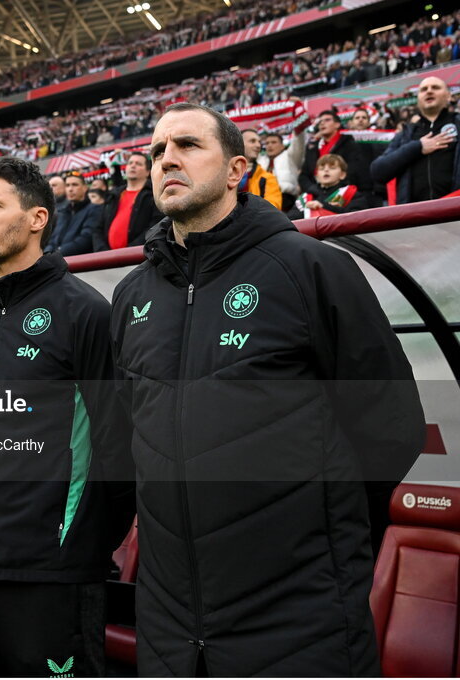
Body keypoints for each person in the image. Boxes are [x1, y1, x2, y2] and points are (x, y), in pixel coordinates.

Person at [110, 103, 425, 676]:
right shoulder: (132, 295)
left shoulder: (310, 268)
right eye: (156, 151)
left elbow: (391, 429)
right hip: (169, 626)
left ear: (236, 170)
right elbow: (130, 435)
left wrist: (316, 531)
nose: (166, 160)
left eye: (186, 145)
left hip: (300, 619)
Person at [0, 157, 132, 676]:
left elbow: (120, 446)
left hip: (50, 570)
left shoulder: (85, 312)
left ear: (36, 219)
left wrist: (81, 545)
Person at [371, 76, 460, 204]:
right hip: (416, 217)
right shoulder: (405, 135)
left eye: (435, 87)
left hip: (454, 213)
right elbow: (378, 172)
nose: (429, 91)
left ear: (448, 95)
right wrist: (417, 147)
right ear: (418, 99)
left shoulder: (458, 123)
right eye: (424, 89)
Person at [94, 151, 163, 250]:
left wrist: (129, 251)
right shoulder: (113, 195)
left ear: (148, 172)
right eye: (130, 163)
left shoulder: (154, 195)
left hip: (136, 257)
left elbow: (155, 226)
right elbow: (98, 228)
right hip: (107, 259)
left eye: (138, 164)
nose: (133, 166)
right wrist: (102, 250)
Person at [299, 109, 372, 196]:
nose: (322, 123)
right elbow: (303, 176)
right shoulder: (312, 148)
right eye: (320, 121)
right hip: (316, 195)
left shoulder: (350, 143)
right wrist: (313, 189)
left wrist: (332, 188)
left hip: (344, 195)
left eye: (327, 120)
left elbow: (354, 170)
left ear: (337, 125)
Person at [287, 154, 375, 219]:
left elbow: (358, 218)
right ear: (317, 175)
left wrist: (324, 207)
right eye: (321, 169)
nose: (326, 170)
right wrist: (308, 210)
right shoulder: (305, 197)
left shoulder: (352, 195)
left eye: (332, 168)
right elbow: (290, 218)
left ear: (342, 175)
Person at [45, 171, 101, 255]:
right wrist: (46, 254)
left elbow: (85, 240)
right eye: (67, 185)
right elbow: (53, 240)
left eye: (75, 185)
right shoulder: (63, 212)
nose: (70, 189)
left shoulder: (94, 209)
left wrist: (56, 254)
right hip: (58, 260)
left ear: (85, 188)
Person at [259, 131, 306, 212]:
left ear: (282, 146)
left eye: (274, 142)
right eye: (267, 143)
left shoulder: (290, 157)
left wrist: (299, 130)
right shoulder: (260, 160)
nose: (269, 145)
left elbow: (298, 144)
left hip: (286, 199)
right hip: (262, 200)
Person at [240, 129, 282, 209]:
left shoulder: (267, 178)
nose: (258, 145)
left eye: (259, 142)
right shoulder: (225, 174)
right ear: (239, 144)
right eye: (252, 141)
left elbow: (272, 209)